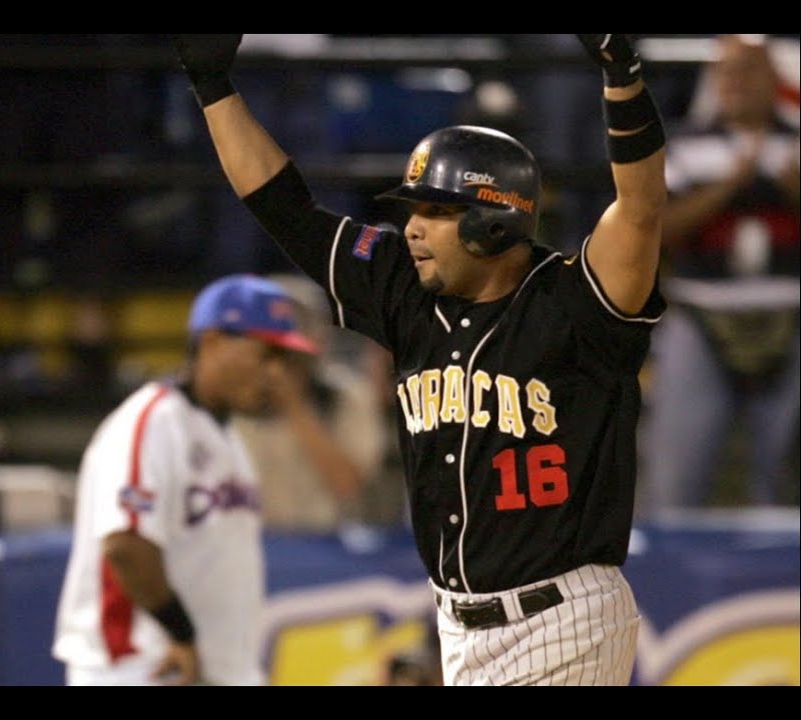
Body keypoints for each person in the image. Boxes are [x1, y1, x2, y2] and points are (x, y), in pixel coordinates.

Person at [171, 33, 667, 685]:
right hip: (456, 625)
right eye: (411, 211)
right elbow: (283, 208)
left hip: (563, 618)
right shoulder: (401, 286)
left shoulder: (573, 302)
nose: (411, 228)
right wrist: (213, 88)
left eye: (433, 211)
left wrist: (622, 77)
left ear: (496, 220)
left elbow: (640, 208)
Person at [51, 274, 317, 686]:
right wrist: (181, 633)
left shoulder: (226, 436)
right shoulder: (153, 421)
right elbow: (126, 543)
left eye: (283, 359)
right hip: (145, 666)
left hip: (212, 669)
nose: (275, 373)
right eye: (265, 353)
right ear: (211, 341)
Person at [643, 34, 800, 515]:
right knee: (676, 473)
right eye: (725, 73)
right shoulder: (683, 144)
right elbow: (656, 230)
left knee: (782, 484)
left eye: (747, 71)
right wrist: (730, 185)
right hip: (700, 316)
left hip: (791, 319)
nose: (734, 83)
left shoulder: (795, 146)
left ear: (774, 80)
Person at [232, 273, 398, 530]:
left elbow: (348, 485)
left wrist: (295, 407)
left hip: (326, 546)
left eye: (300, 327)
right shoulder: (233, 395)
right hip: (252, 539)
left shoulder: (346, 395)